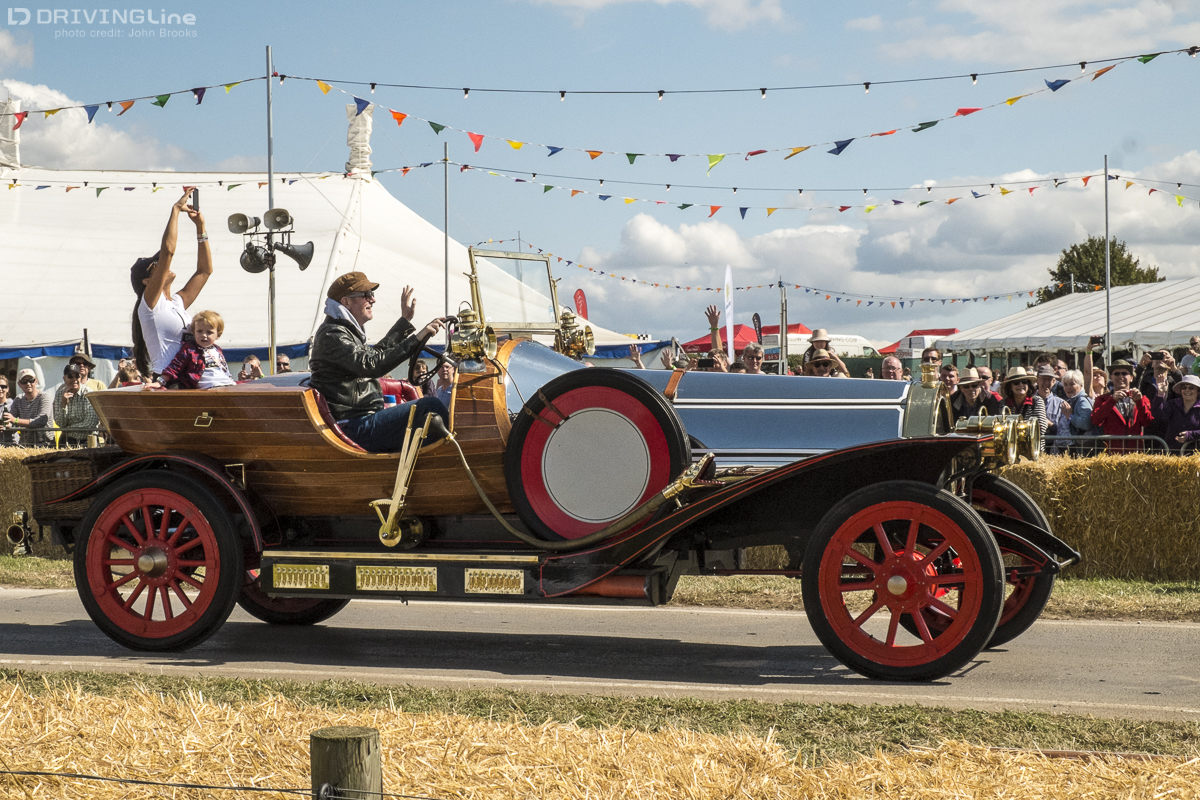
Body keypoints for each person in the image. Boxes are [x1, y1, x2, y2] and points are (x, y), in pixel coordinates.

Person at [309, 271, 449, 453]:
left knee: (431, 412)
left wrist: (404, 321)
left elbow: (375, 354)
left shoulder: (345, 331)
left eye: (372, 294)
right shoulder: (332, 334)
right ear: (346, 302)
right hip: (354, 425)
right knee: (431, 406)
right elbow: (372, 364)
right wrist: (416, 339)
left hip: (362, 421)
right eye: (366, 295)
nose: (372, 300)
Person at [131, 189, 212, 380]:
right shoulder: (150, 304)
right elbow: (168, 252)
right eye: (156, 265)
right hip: (168, 379)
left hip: (188, 378)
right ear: (147, 281)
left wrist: (201, 228)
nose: (164, 265)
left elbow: (204, 271)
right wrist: (175, 210)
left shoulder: (175, 302)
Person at [149, 311, 237, 390]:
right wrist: (160, 382)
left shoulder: (217, 349)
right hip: (209, 386)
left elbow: (224, 368)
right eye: (199, 331)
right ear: (193, 333)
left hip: (227, 384)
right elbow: (175, 366)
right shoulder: (190, 349)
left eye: (209, 332)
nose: (204, 335)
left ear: (218, 335)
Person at [1090, 359, 1152, 453]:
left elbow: (1147, 422)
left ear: (1131, 378)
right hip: (1112, 453)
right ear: (1111, 377)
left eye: (1124, 373)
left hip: (1136, 453)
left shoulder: (1142, 398)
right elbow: (1096, 420)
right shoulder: (1102, 399)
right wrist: (1112, 401)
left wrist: (1139, 402)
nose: (1120, 376)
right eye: (1116, 374)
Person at [1001, 367, 1048, 452]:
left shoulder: (1037, 401)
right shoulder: (1003, 404)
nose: (1021, 385)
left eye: (1024, 382)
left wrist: (1014, 433)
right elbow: (1000, 428)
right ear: (1010, 386)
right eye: (1016, 383)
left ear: (1028, 385)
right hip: (1010, 451)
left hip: (1033, 450)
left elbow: (1041, 428)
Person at [54, 363, 101, 447]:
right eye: (70, 376)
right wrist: (64, 404)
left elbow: (90, 423)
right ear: (64, 379)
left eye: (77, 376)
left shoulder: (88, 393)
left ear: (80, 377)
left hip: (87, 440)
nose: (74, 379)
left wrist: (67, 429)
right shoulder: (59, 394)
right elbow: (60, 423)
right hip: (67, 440)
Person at [6, 369, 54, 445]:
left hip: (44, 444)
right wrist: (8, 424)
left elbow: (41, 421)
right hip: (25, 444)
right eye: (24, 381)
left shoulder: (44, 397)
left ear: (36, 381)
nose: (28, 383)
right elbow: (11, 419)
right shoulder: (18, 399)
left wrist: (15, 420)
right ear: (19, 384)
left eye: (31, 380)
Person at [1154, 374, 1200, 453]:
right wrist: (1160, 394)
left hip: (1195, 457)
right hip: (1171, 454)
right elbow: (1158, 417)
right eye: (1184, 388)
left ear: (1198, 391)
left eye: (1191, 388)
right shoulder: (1173, 404)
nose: (1187, 390)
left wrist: (1191, 435)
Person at [1059, 369, 1094, 455]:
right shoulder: (1073, 400)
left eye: (1072, 384)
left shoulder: (1082, 400)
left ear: (1081, 385)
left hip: (1082, 450)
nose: (1068, 388)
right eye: (1065, 385)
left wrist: (1069, 416)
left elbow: (1086, 423)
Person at [1035, 366, 1068, 444]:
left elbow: (1063, 431)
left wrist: (1051, 425)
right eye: (1043, 379)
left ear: (1054, 381)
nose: (1046, 383)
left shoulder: (1061, 404)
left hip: (1052, 448)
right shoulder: (1029, 401)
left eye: (1049, 379)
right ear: (1037, 380)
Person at [0, 375, 12, 445]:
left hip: (11, 443)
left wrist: (12, 426)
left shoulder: (13, 404)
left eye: (3, 387)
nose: (0, 389)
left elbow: (19, 421)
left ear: (7, 389)